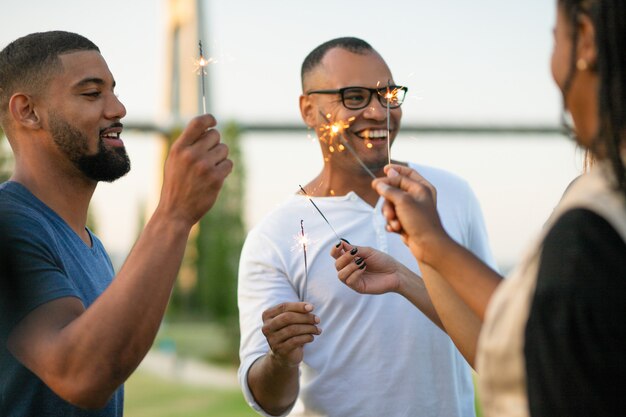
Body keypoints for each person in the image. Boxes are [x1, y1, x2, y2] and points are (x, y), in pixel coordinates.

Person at [333, 1, 626, 416]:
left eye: (554, 38)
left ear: (587, 40)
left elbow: (530, 346)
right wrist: (424, 251)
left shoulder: (593, 224)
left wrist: (432, 243)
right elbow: (510, 336)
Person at [237, 36, 495, 417]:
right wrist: (282, 360)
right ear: (309, 109)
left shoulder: (451, 195)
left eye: (387, 95)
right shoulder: (274, 236)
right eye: (354, 97)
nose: (378, 112)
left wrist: (411, 273)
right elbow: (271, 402)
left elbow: (495, 336)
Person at [0, 31, 233, 416]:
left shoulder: (91, 247)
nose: (119, 108)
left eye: (114, 91)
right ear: (27, 111)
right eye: (92, 94)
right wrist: (174, 214)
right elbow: (81, 376)